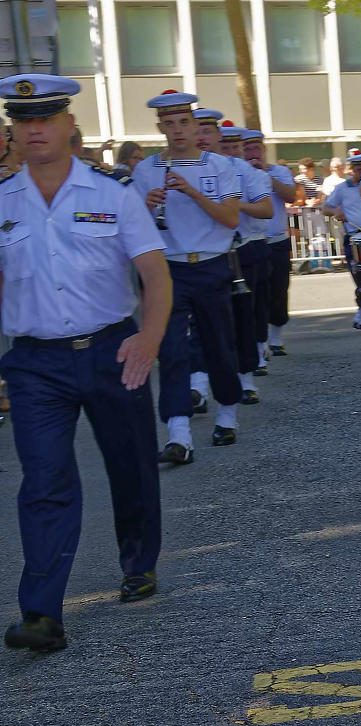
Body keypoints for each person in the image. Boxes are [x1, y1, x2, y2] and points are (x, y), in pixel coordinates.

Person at [0, 74, 172, 653]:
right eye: (25, 120)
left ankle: (138, 562)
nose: (36, 128)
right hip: (34, 363)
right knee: (44, 480)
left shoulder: (112, 193)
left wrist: (148, 338)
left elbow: (154, 274)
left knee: (130, 466)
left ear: (70, 124)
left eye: (47, 117)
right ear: (13, 132)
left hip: (111, 350)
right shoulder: (3, 201)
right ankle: (43, 613)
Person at [140, 90, 244, 458]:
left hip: (211, 265)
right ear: (160, 128)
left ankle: (227, 415)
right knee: (170, 350)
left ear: (194, 125)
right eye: (169, 124)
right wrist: (147, 206)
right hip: (168, 269)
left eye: (184, 123)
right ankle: (178, 433)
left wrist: (193, 193)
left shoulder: (219, 166)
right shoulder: (146, 169)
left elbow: (231, 219)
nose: (177, 131)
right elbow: (135, 229)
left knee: (218, 344)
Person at [201, 117, 274, 405]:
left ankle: (246, 378)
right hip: (206, 253)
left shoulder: (244, 170)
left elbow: (266, 209)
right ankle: (203, 383)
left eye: (234, 145)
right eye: (227, 145)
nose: (229, 150)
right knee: (208, 324)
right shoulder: (193, 168)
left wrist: (233, 205)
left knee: (244, 317)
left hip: (244, 249)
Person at [243, 133, 296, 359]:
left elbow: (291, 196)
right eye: (248, 149)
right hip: (253, 242)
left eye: (256, 148)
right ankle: (258, 341)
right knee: (256, 295)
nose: (252, 153)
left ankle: (276, 337)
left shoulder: (279, 171)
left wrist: (266, 174)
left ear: (263, 150)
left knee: (278, 291)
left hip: (276, 241)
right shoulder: (239, 173)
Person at [321, 149, 361, 331]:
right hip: (354, 239)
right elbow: (326, 207)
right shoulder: (342, 189)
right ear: (350, 170)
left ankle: (360, 317)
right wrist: (335, 212)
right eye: (358, 170)